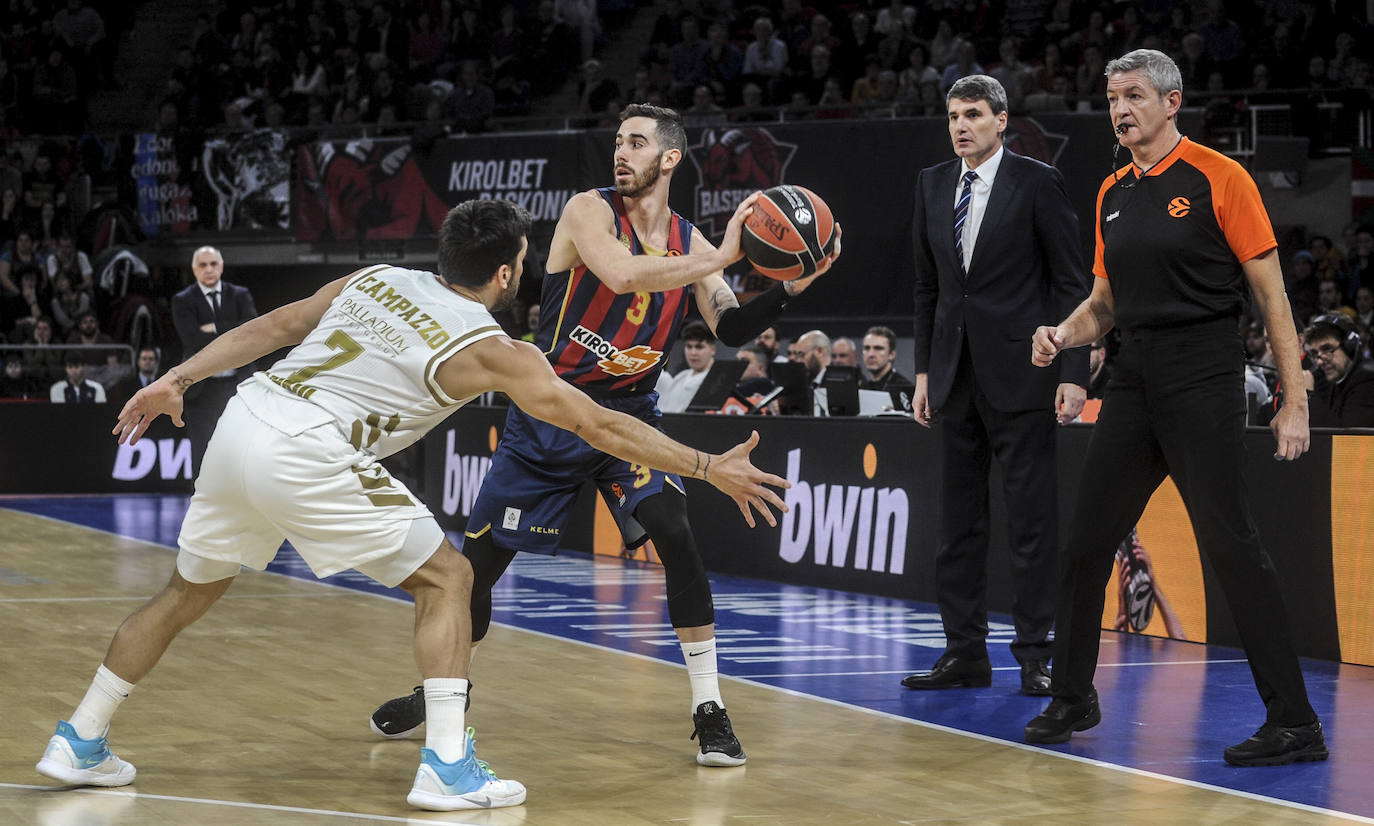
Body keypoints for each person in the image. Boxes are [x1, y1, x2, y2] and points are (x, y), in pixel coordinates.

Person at [33, 198, 792, 810]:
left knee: (183, 593)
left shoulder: (374, 278)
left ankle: (80, 737)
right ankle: (448, 766)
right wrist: (704, 464)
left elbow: (272, 327)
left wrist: (181, 378)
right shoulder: (496, 348)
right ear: (504, 273)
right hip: (308, 448)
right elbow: (597, 424)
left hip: (244, 420)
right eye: (523, 262)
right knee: (449, 580)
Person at [368, 104, 839, 767]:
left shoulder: (694, 242)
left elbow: (730, 326)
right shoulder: (587, 212)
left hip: (629, 417)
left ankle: (709, 707)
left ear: (670, 159)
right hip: (550, 411)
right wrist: (722, 256)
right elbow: (621, 274)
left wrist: (794, 283)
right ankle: (442, 691)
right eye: (618, 141)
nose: (622, 151)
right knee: (475, 578)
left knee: (675, 530)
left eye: (638, 142)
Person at [1025, 49, 1327, 767]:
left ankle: (1295, 723)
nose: (1120, 109)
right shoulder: (1111, 191)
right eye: (1111, 98)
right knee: (1085, 543)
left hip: (1203, 374)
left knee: (1233, 546)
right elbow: (1104, 303)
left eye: (1133, 96)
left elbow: (1273, 298)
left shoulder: (1221, 177)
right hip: (1131, 378)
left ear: (1171, 102)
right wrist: (1064, 332)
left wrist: (1294, 399)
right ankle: (1072, 696)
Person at [905, 74, 1090, 697]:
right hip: (953, 377)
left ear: (1002, 120)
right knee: (957, 525)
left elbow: (1071, 283)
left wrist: (1073, 372)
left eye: (974, 115)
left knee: (1032, 523)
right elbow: (929, 287)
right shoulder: (931, 183)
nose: (962, 126)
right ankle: (964, 652)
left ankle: (1038, 654)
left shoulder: (1038, 181)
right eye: (954, 116)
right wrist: (925, 370)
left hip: (1026, 376)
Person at [172, 246, 258, 474]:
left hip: (238, 385)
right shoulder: (182, 300)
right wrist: (233, 330)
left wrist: (216, 327)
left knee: (243, 447)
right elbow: (193, 338)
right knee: (202, 451)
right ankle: (201, 503)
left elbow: (252, 330)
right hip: (201, 388)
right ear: (194, 269)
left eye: (213, 264)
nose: (209, 269)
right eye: (203, 265)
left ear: (221, 266)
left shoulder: (240, 294)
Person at [1303, 314, 1374, 428]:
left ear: (1349, 346)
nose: (1320, 362)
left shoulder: (1367, 381)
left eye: (1327, 349)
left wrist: (1309, 395)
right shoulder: (1339, 378)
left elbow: (1345, 438)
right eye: (1315, 354)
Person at [657, 319, 717, 412]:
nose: (693, 353)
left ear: (712, 349)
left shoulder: (717, 379)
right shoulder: (681, 376)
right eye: (689, 347)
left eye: (699, 347)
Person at [858, 325, 910, 390]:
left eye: (878, 348)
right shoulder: (862, 387)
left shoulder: (905, 389)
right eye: (866, 348)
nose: (871, 354)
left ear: (891, 354)